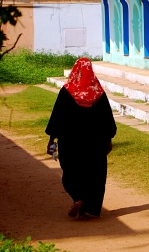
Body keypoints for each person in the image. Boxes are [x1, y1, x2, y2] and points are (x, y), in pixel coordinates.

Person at [45, 58, 117, 220]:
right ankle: (91, 209)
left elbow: (57, 116)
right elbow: (107, 119)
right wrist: (108, 139)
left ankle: (78, 197)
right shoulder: (98, 93)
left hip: (70, 142)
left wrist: (52, 139)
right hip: (95, 143)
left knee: (71, 171)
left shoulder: (66, 91)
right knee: (95, 174)